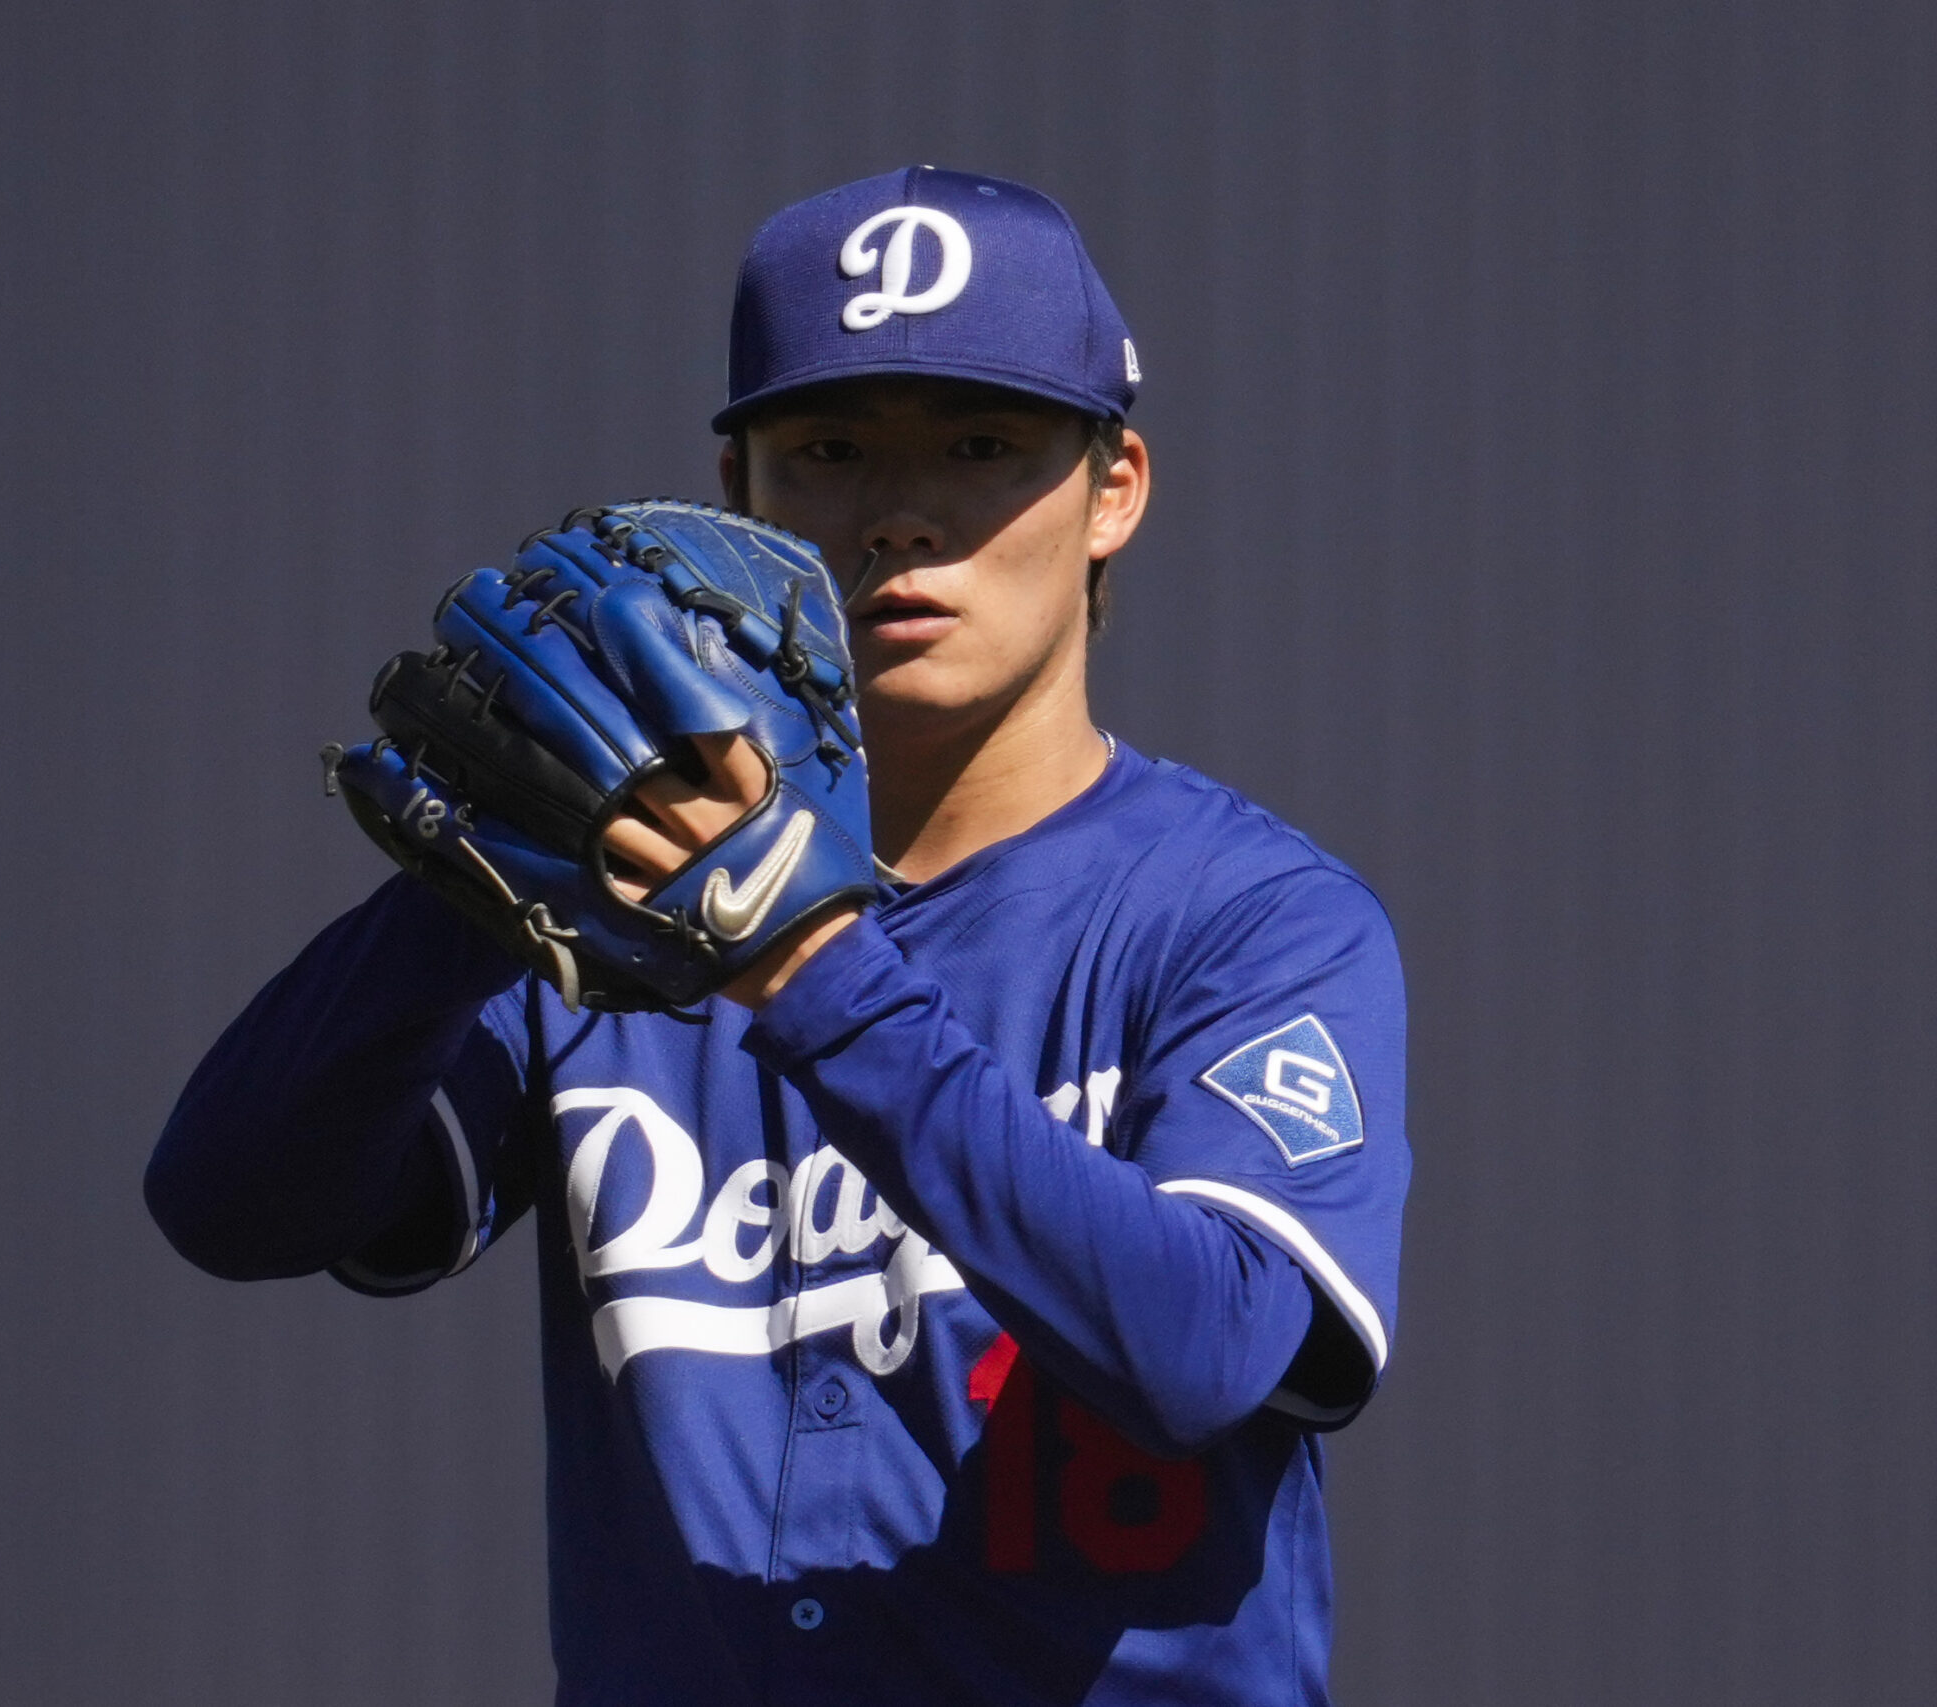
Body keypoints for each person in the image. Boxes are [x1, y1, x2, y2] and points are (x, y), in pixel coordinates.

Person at [146, 165, 1410, 1706]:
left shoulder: (1246, 919)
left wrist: (804, 963)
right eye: (827, 450)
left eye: (982, 444)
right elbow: (236, 1204)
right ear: (739, 489)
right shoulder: (612, 913)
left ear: (1114, 488)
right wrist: (460, 899)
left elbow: (1202, 1352)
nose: (898, 512)